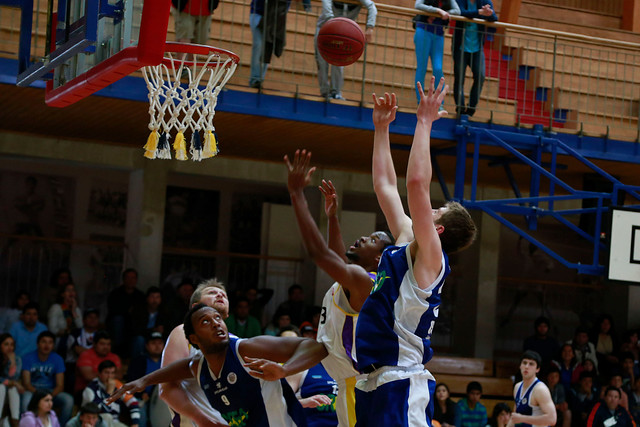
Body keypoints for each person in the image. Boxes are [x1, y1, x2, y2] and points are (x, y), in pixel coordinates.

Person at [354, 80, 476, 426]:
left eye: (435, 211)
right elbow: (385, 187)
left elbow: (415, 185)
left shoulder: (431, 260)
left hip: (402, 380)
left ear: (437, 231)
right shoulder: (407, 242)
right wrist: (381, 130)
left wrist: (424, 122)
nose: (427, 209)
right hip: (374, 380)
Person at [284, 150, 394, 426]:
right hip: (352, 384)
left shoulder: (365, 282)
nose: (361, 237)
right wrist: (332, 218)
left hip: (358, 386)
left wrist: (297, 195)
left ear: (379, 258)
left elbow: (321, 254)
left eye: (370, 239)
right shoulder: (355, 281)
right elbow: (336, 259)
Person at [108, 303, 327, 426]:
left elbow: (314, 347)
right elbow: (183, 367)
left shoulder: (245, 349)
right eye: (206, 321)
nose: (216, 323)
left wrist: (285, 369)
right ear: (193, 339)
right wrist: (142, 380)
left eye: (217, 318)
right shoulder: (200, 366)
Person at [159, 278, 231, 426]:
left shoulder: (235, 342)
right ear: (196, 307)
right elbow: (167, 388)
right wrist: (203, 420)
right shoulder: (182, 333)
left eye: (224, 295)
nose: (220, 295)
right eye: (212, 293)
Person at [315, 0, 377, 100]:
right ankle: (324, 92)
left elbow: (372, 7)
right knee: (321, 61)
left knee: (339, 61)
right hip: (325, 29)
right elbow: (326, 4)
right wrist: (332, 22)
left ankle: (336, 92)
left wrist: (370, 27)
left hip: (344, 33)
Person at [451, 0, 497, 117]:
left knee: (480, 76)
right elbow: (461, 12)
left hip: (477, 49)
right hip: (460, 47)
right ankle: (460, 108)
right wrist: (480, 12)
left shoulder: (485, 1)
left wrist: (489, 13)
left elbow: (494, 18)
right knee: (459, 78)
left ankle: (471, 108)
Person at [21, 331, 73, 426]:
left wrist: (49, 396)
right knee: (25, 398)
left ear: (53, 345)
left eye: (50, 342)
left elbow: (60, 385)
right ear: (37, 344)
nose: (47, 345)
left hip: (50, 392)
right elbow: (26, 383)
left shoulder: (58, 359)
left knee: (68, 400)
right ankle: (28, 422)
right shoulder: (27, 358)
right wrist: (39, 395)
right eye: (43, 342)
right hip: (33, 391)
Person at [413, 0, 460, 104]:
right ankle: (420, 101)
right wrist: (437, 11)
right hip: (423, 31)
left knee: (438, 68)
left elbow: (457, 11)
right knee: (422, 67)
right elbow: (418, 5)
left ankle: (439, 103)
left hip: (438, 34)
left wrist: (443, 13)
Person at [126, 331, 167, 427]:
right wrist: (140, 393)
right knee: (140, 412)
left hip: (163, 398)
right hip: (141, 397)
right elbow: (131, 382)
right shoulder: (139, 361)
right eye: (153, 343)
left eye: (160, 343)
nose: (157, 346)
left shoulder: (167, 360)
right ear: (147, 346)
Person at [82, 361, 140, 427]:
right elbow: (95, 411)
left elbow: (133, 402)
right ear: (99, 373)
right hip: (95, 422)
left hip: (114, 422)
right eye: (106, 373)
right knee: (107, 416)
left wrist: (135, 423)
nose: (109, 376)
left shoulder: (117, 385)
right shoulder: (90, 389)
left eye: (112, 373)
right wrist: (109, 393)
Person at [248, 0, 290, 89]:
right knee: (258, 45)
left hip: (274, 16)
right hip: (258, 13)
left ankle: (259, 79)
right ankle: (255, 79)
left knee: (268, 46)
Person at [510, 350, 557, 427]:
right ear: (520, 366)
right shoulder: (517, 387)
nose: (526, 366)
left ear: (537, 369)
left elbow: (552, 419)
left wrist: (523, 418)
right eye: (524, 363)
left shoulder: (540, 389)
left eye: (531, 364)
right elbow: (514, 418)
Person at [106, 268, 145, 356]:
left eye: (133, 278)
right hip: (118, 327)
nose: (130, 280)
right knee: (118, 320)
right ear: (123, 279)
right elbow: (113, 311)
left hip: (134, 327)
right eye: (128, 277)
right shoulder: (115, 294)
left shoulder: (140, 296)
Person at [130, 287, 168, 358]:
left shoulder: (164, 313)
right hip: (144, 337)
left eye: (157, 297)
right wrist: (152, 330)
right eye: (152, 297)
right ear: (147, 298)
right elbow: (135, 329)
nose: (155, 300)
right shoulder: (139, 311)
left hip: (158, 338)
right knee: (139, 340)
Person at [0, 333, 22, 427]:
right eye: (6, 344)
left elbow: (14, 379)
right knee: (1, 387)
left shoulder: (17, 359)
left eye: (12, 344)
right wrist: (11, 382)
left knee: (13, 389)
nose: (9, 347)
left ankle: (15, 421)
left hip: (8, 394)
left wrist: (12, 363)